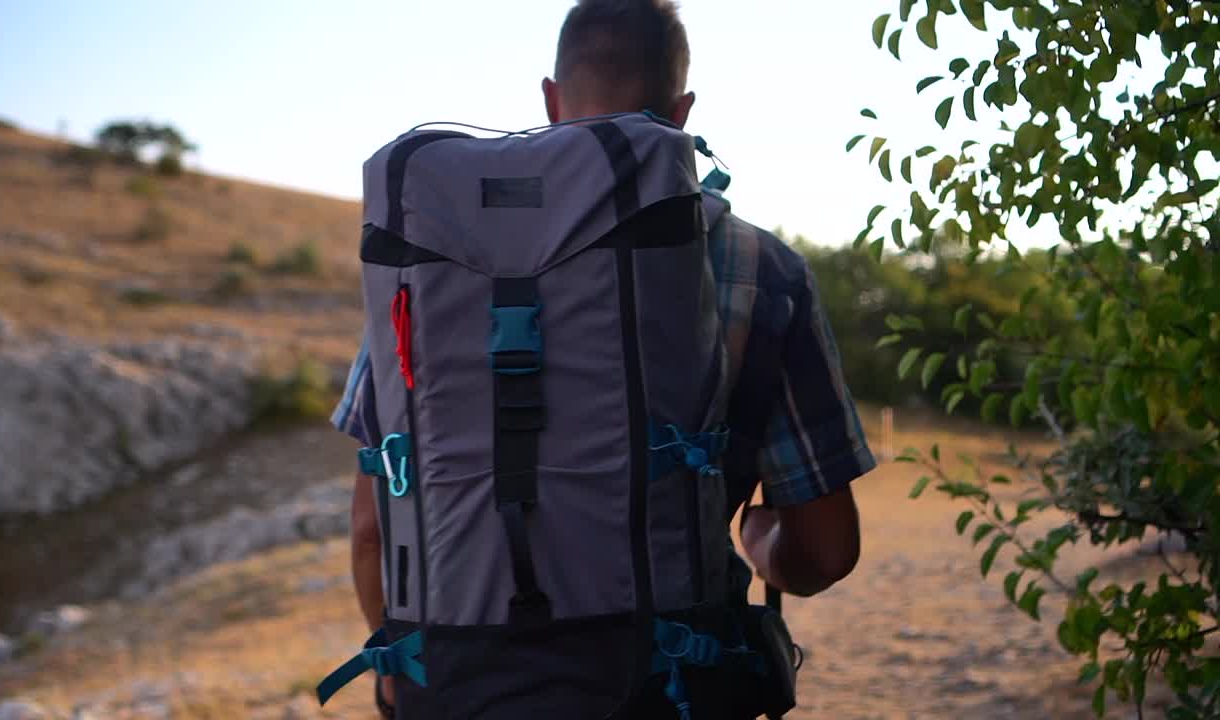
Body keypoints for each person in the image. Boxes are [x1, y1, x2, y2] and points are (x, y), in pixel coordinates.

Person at [330, 1, 875, 715]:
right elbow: (826, 552)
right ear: (680, 113)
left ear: (551, 102)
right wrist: (762, 539)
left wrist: (401, 672)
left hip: (462, 686)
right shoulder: (759, 267)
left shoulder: (429, 267)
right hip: (665, 688)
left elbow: (373, 526)